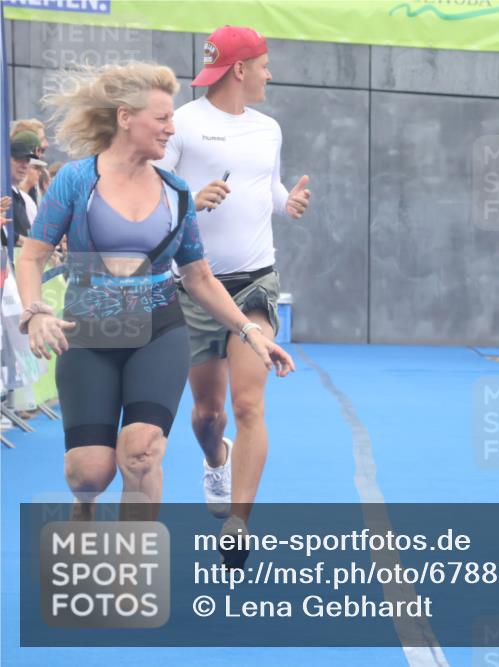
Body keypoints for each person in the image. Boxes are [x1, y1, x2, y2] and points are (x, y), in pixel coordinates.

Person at [14, 62, 295, 523]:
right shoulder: (77, 180)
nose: (171, 129)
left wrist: (249, 331)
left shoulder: (177, 193)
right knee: (89, 472)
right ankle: (83, 508)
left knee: (141, 452)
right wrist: (36, 311)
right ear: (126, 117)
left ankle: (132, 577)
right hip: (89, 329)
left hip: (158, 329)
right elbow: (31, 256)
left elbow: (200, 278)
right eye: (162, 118)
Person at [157, 25, 310, 560]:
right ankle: (215, 460)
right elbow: (152, 200)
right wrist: (190, 201)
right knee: (208, 416)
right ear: (239, 69)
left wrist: (284, 203)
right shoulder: (182, 125)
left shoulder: (268, 129)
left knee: (249, 404)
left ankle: (238, 524)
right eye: (264, 63)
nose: (270, 73)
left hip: (256, 281)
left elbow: (265, 189)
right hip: (196, 285)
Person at [5, 132, 43, 247]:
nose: (24, 165)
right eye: (18, 159)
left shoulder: (22, 198)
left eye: (27, 160)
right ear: (4, 159)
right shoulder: (3, 192)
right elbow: (4, 234)